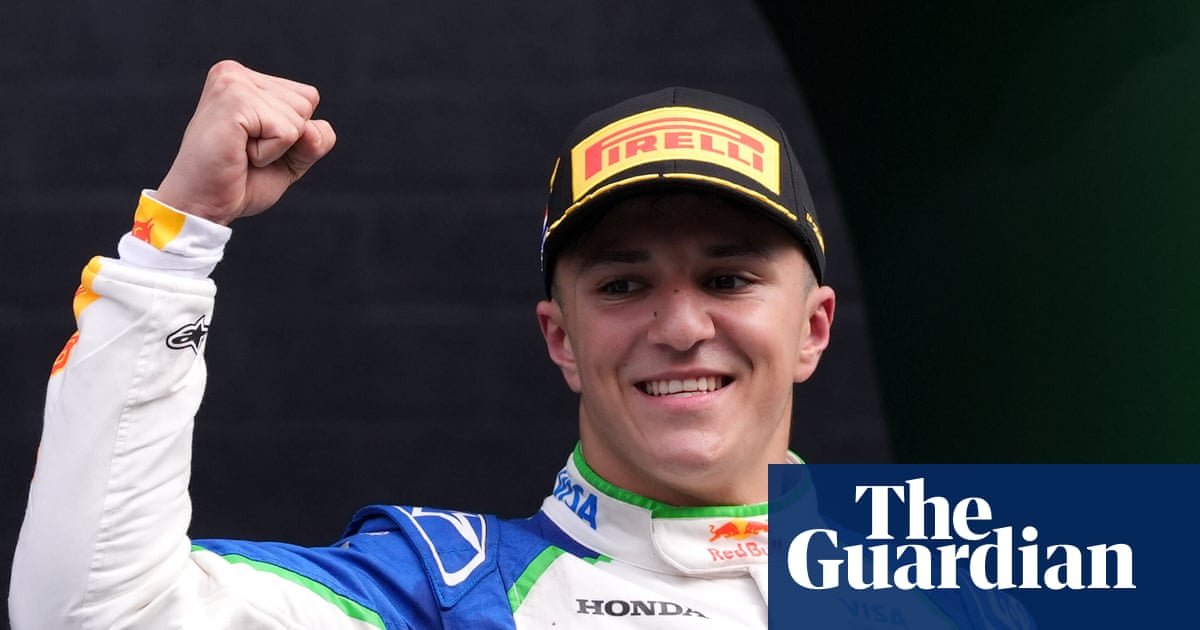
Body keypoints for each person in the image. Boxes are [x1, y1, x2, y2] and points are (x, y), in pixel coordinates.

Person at [9, 61, 1026, 629]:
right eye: (622, 284)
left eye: (728, 279)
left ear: (812, 328)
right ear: (561, 339)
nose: (680, 328)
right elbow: (91, 613)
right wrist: (177, 240)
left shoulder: (975, 589)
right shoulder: (447, 594)